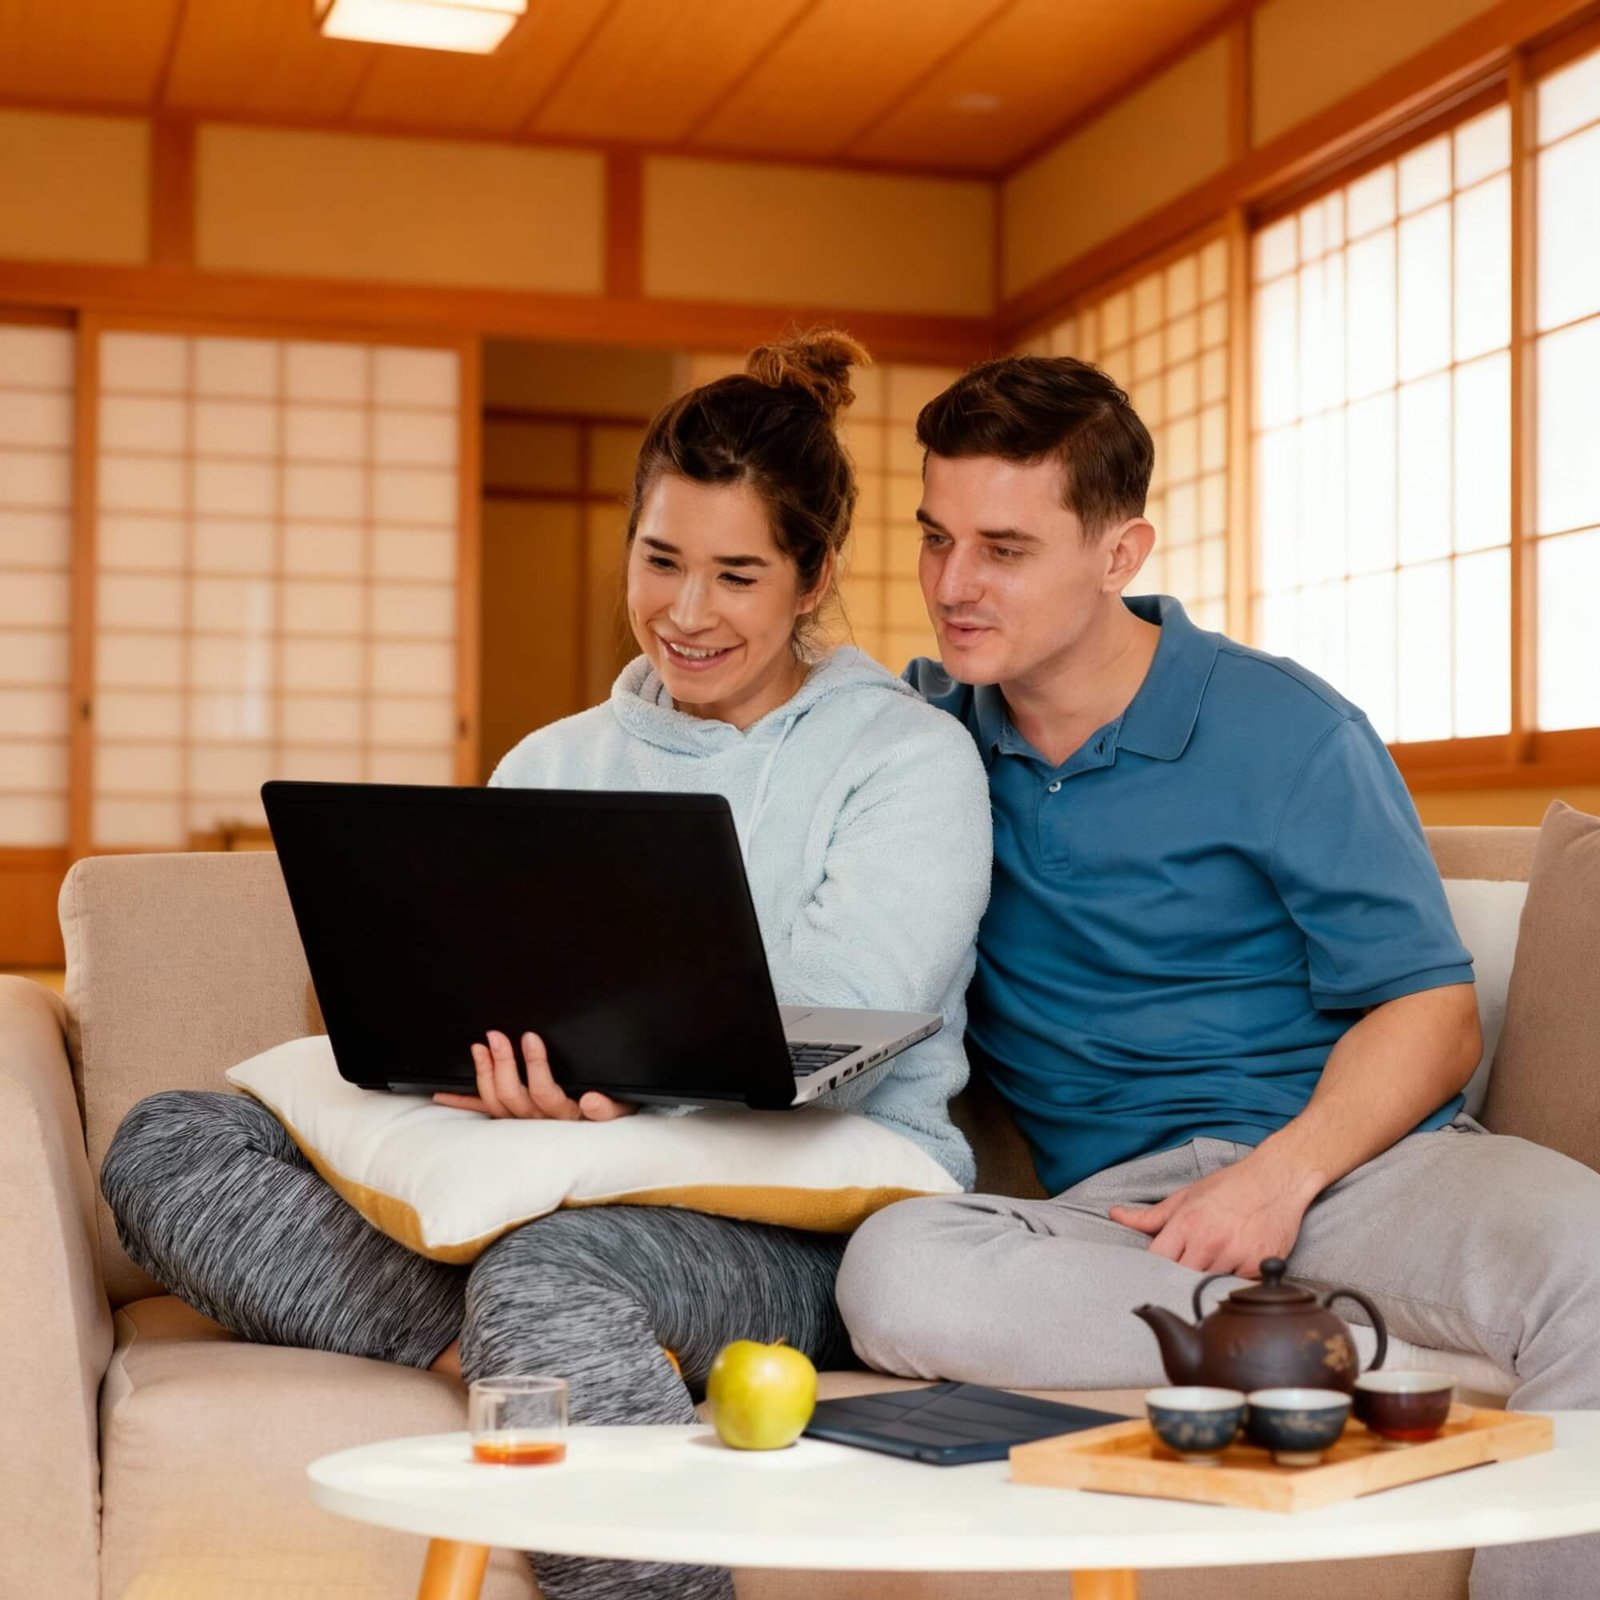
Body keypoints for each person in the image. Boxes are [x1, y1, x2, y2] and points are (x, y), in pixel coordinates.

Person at [102, 331, 991, 1600]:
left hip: (796, 1228)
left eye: (737, 574)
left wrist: (621, 1085)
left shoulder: (904, 761)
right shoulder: (552, 760)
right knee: (167, 1140)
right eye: (661, 559)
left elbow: (832, 1044)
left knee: (551, 1274)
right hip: (546, 1179)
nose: (687, 611)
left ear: (814, 578)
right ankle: (546, 1343)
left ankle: (545, 1334)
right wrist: (479, 1066)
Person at [835, 355, 1600, 1600]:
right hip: (1119, 1223)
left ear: (1118, 551)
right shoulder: (916, 744)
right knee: (893, 1270)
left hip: (1357, 1164)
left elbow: (1434, 1011)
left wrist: (1278, 1176)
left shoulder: (1285, 726)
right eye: (934, 539)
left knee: (1598, 1257)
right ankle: (1327, 1347)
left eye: (1004, 549)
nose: (952, 588)